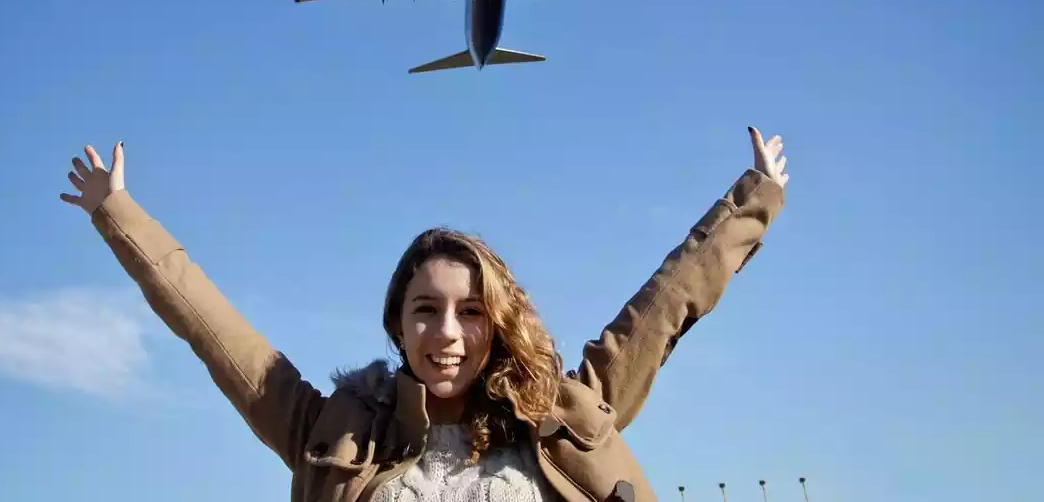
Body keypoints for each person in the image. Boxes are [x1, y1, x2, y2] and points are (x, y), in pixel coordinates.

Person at [60, 127, 788, 502]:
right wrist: (117, 213)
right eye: (425, 310)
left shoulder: (563, 416)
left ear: (497, 322)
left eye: (471, 312)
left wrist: (754, 198)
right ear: (398, 325)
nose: (447, 334)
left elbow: (662, 312)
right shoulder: (334, 437)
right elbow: (212, 329)